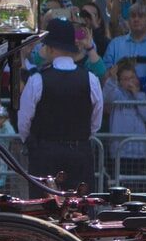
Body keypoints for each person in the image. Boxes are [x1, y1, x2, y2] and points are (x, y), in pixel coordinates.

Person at [17, 18, 103, 191]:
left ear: (49, 48)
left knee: (43, 210)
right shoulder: (90, 80)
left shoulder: (37, 80)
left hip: (45, 154)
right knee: (81, 209)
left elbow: (24, 122)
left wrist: (35, 144)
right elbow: (96, 122)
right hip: (79, 153)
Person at [104, 2, 146, 91]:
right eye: (133, 16)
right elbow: (105, 73)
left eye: (141, 16)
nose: (136, 19)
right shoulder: (115, 44)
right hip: (121, 99)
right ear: (128, 20)